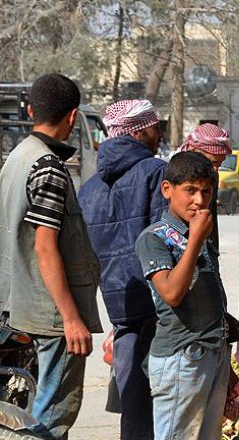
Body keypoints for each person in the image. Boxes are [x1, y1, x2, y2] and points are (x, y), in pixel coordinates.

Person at [0, 74, 102, 439]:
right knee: (49, 419)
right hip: (49, 314)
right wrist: (70, 319)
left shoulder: (17, 157)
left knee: (31, 413)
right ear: (73, 116)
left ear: (32, 110)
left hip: (17, 306)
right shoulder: (48, 166)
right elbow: (44, 246)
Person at [78, 99, 167, 439]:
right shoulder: (156, 172)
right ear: (140, 131)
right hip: (158, 302)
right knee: (166, 403)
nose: (160, 135)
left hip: (120, 306)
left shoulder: (89, 188)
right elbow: (166, 240)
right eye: (156, 128)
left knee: (134, 403)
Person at [135, 152, 231, 439]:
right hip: (182, 359)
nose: (199, 201)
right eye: (190, 190)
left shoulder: (197, 233)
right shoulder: (155, 238)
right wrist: (196, 241)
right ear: (168, 190)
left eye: (206, 191)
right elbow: (172, 294)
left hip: (212, 353)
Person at [179, 123, 233, 246]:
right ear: (192, 151)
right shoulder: (172, 173)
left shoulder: (213, 176)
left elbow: (210, 216)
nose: (215, 169)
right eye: (212, 161)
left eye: (220, 164)